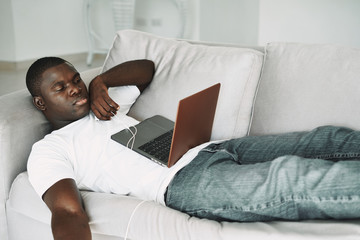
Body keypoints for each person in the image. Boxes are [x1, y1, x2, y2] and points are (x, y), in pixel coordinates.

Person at [26, 57, 360, 240]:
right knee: (294, 179)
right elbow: (68, 213)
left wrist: (101, 81)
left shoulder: (105, 106)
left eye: (76, 80)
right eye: (61, 88)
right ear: (41, 102)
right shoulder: (50, 149)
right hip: (184, 183)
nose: (74, 89)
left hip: (211, 147)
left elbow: (146, 68)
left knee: (325, 139)